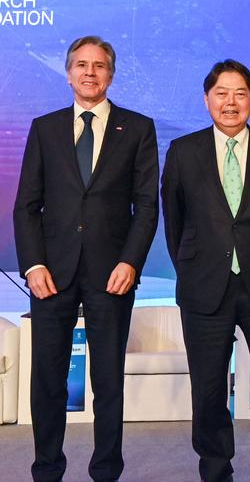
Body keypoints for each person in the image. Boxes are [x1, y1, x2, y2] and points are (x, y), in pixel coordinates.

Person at [13, 35, 159, 482]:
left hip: (112, 273)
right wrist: (33, 264)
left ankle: (106, 471)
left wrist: (131, 262)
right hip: (50, 275)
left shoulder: (137, 128)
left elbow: (146, 206)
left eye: (99, 65)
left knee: (109, 381)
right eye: (81, 64)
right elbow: (26, 206)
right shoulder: (45, 128)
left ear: (111, 74)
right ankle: (47, 469)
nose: (89, 72)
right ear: (69, 71)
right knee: (48, 380)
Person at [161, 59, 250, 482]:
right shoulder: (183, 151)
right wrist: (189, 269)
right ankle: (215, 467)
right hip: (204, 286)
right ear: (206, 99)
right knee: (207, 388)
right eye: (221, 93)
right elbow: (174, 220)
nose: (230, 102)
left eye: (239, 94)